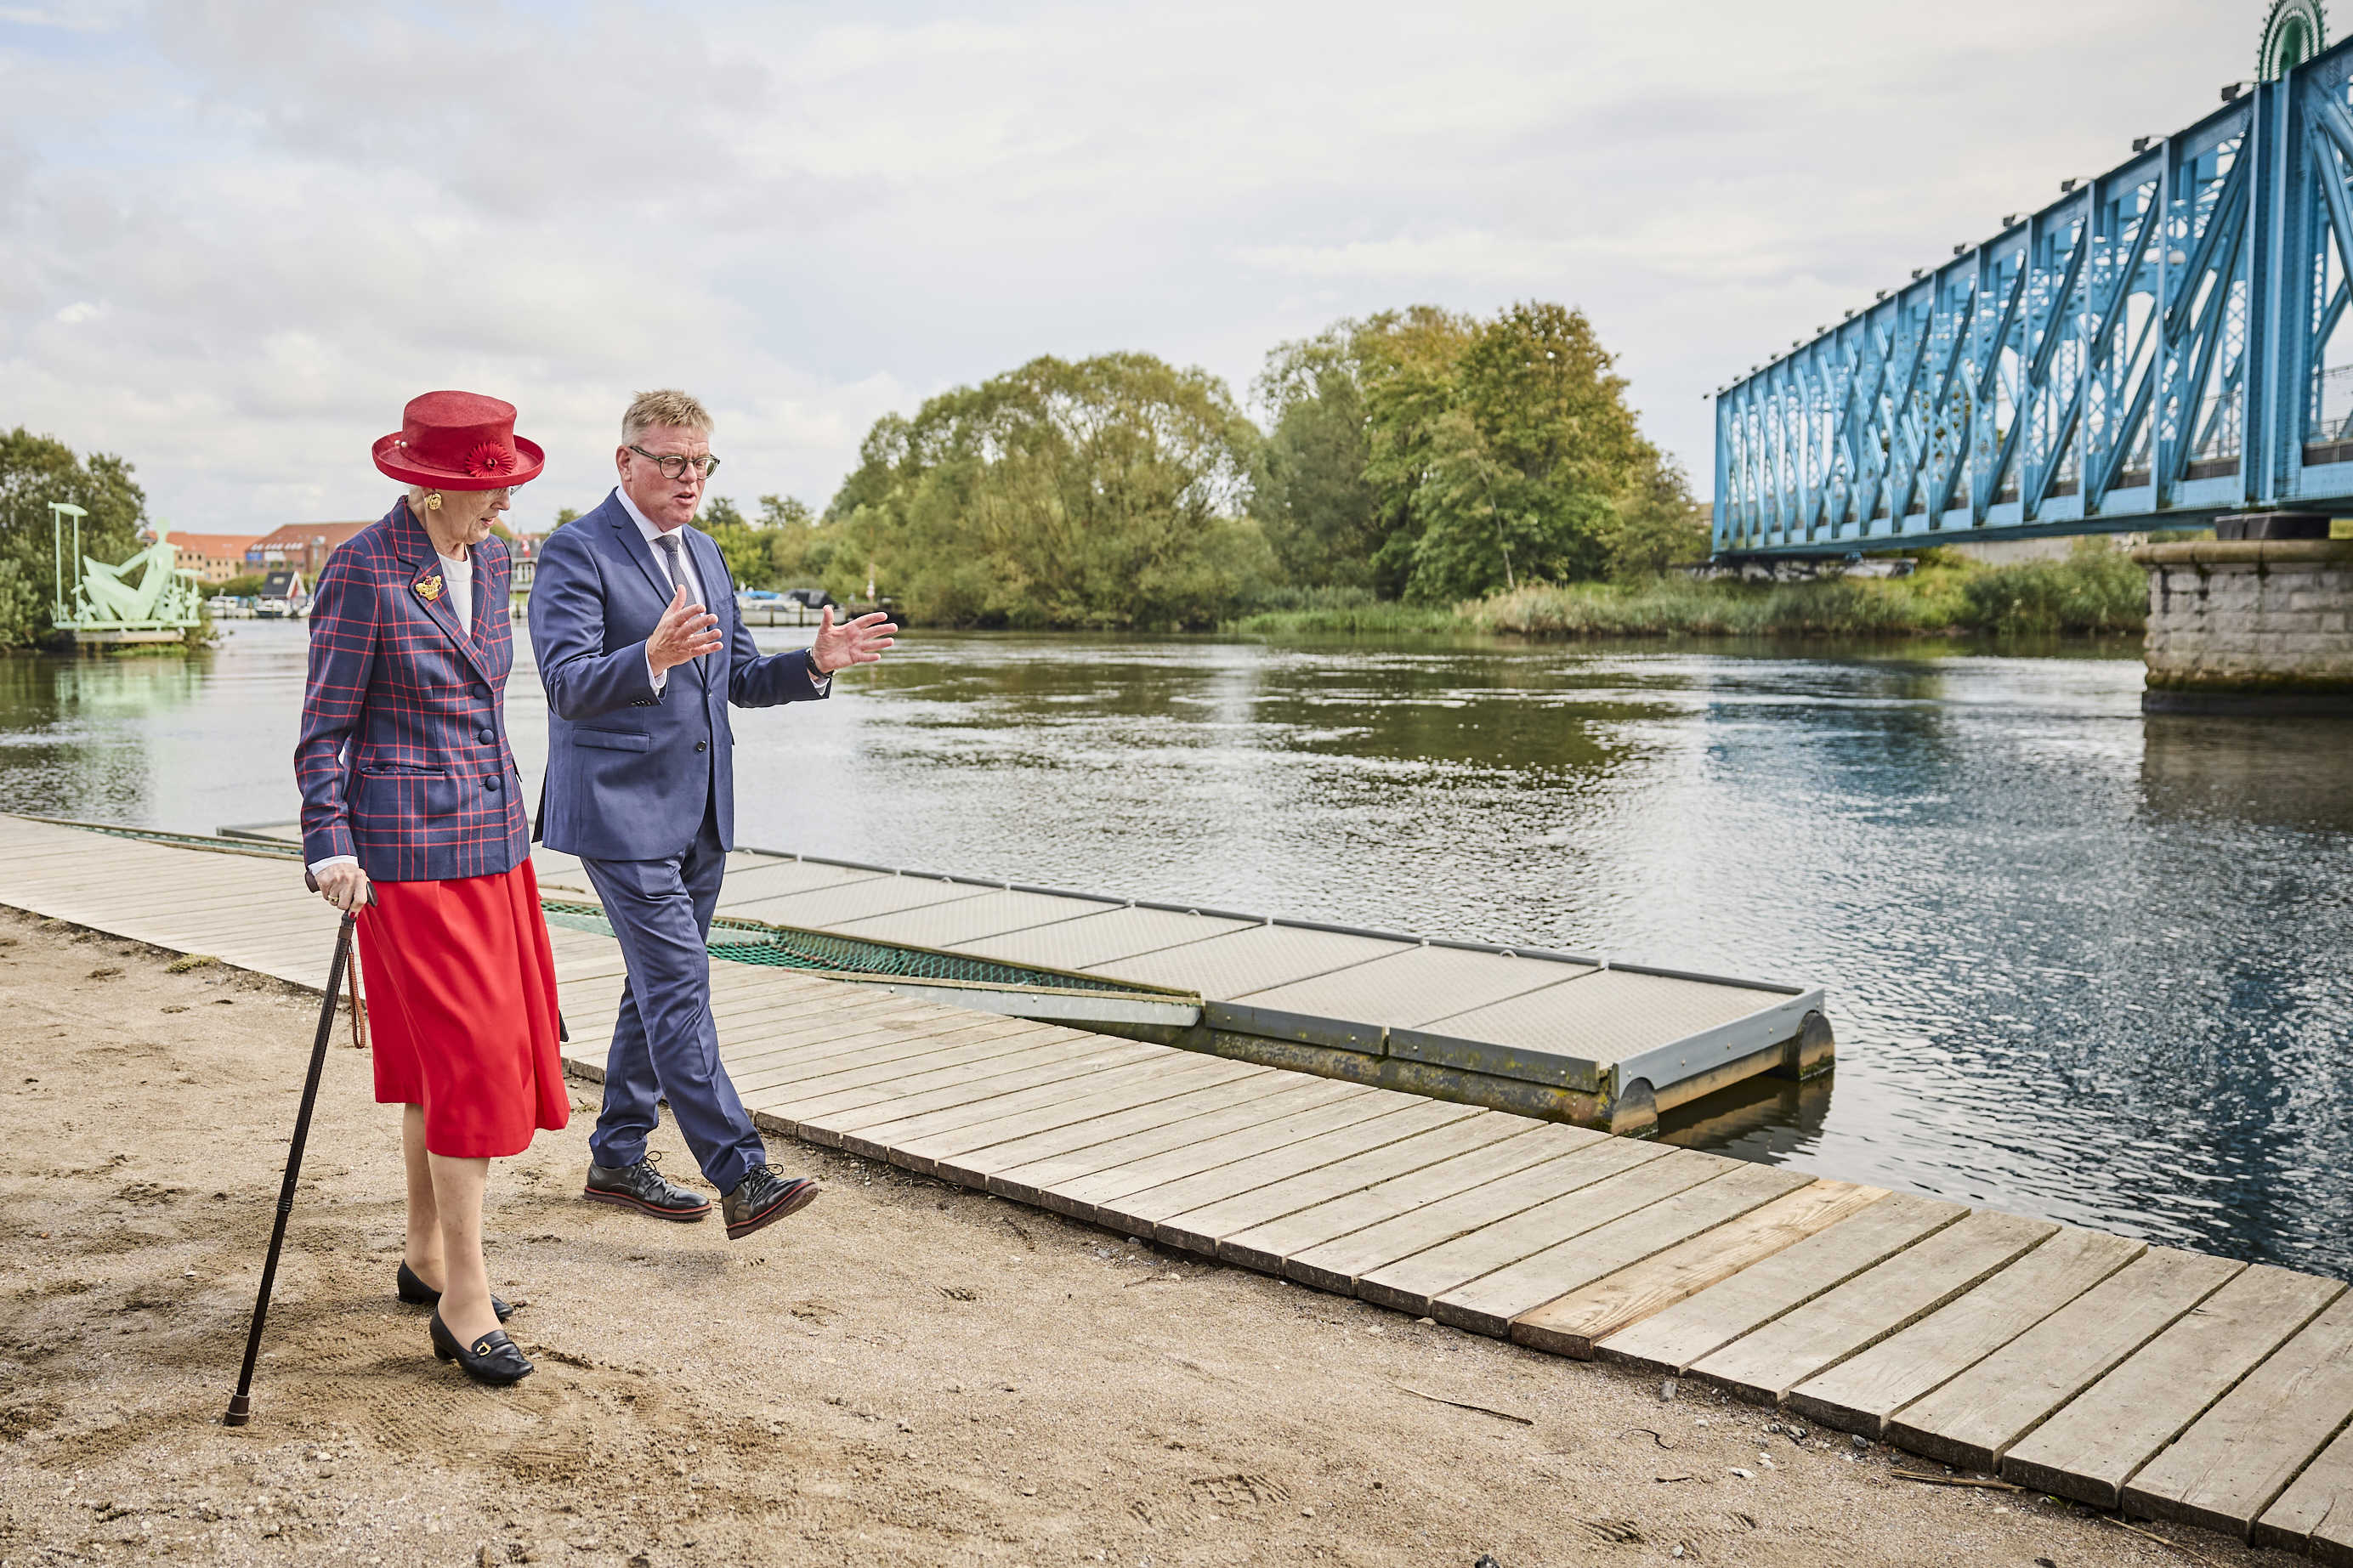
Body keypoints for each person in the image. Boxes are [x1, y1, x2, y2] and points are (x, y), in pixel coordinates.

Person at [529, 389, 896, 1241]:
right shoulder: (574, 553)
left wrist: (810, 662)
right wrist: (649, 655)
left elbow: (736, 680)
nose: (690, 477)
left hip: (701, 814)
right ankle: (741, 1171)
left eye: (701, 462)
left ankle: (619, 1156)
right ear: (626, 462)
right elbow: (566, 685)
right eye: (671, 461)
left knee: (655, 989)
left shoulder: (705, 552)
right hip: (617, 811)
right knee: (680, 984)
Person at [295, 390, 566, 1387]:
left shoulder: (491, 560)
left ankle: (424, 1255)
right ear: (428, 484)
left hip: (495, 843)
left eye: (504, 486)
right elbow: (324, 730)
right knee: (471, 1066)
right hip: (402, 858)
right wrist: (328, 842)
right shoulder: (362, 571)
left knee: (432, 1063)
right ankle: (465, 1298)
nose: (500, 506)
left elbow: (483, 702)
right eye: (482, 489)